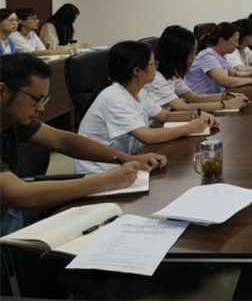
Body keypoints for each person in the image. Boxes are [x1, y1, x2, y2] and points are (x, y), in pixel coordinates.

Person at [0, 54, 167, 236]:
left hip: (12, 210)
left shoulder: (12, 118)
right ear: (2, 92)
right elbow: (20, 196)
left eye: (44, 101)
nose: (41, 108)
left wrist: (130, 159)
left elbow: (62, 141)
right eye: (35, 100)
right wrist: (107, 181)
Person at [76, 41, 218, 175]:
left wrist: (197, 115)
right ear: (137, 71)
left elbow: (165, 116)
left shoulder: (136, 91)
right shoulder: (115, 99)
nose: (156, 67)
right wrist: (189, 128)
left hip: (126, 163)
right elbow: (147, 136)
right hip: (99, 172)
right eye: (153, 64)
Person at [144, 25, 248, 112]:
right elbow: (183, 107)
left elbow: (194, 98)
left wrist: (227, 96)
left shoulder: (173, 74)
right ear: (177, 53)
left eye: (195, 51)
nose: (194, 57)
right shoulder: (156, 79)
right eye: (191, 52)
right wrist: (226, 104)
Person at [185, 23, 252, 95]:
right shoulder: (208, 56)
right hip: (198, 102)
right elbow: (224, 80)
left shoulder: (221, 55)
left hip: (211, 98)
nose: (237, 45)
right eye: (235, 41)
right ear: (221, 40)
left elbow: (234, 73)